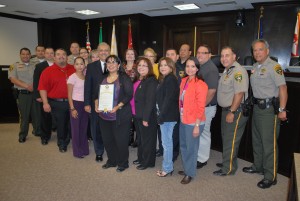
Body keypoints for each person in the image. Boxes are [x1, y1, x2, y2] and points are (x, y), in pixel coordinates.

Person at [242, 39, 288, 189]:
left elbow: (283, 89)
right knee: (257, 140)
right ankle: (258, 166)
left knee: (268, 143)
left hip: (269, 111)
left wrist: (281, 109)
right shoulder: (256, 66)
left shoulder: (274, 67)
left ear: (267, 51)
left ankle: (270, 175)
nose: (257, 53)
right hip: (257, 108)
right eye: (254, 50)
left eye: (260, 49)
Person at [213, 46, 249, 176]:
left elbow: (239, 93)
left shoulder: (238, 71)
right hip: (226, 110)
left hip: (235, 110)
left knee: (231, 140)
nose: (224, 58)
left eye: (227, 55)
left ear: (234, 56)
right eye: (222, 56)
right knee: (226, 138)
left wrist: (232, 111)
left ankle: (228, 169)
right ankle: (228, 162)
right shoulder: (228, 71)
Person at [95, 55, 133, 172]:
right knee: (108, 140)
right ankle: (112, 160)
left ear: (118, 65)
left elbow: (128, 95)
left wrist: (118, 106)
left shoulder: (124, 78)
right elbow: (96, 96)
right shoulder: (102, 78)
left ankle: (123, 163)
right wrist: (96, 105)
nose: (110, 65)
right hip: (104, 116)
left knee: (121, 140)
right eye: (108, 62)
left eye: (113, 62)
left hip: (120, 115)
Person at [39, 48, 75, 153]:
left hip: (73, 102)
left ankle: (73, 140)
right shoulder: (47, 71)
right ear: (54, 57)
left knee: (71, 123)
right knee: (62, 124)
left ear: (67, 57)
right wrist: (45, 103)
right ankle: (62, 143)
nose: (61, 56)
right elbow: (42, 88)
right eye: (58, 54)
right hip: (57, 103)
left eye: (64, 54)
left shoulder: (74, 69)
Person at [178, 57, 208, 184]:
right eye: (188, 66)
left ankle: (190, 173)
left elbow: (201, 107)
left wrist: (196, 125)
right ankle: (187, 168)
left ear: (197, 68)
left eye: (193, 66)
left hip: (194, 122)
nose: (189, 69)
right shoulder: (184, 80)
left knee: (191, 148)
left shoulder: (201, 84)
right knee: (184, 146)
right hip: (183, 119)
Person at [84, 42, 110, 162]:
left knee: (110, 128)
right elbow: (87, 86)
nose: (103, 52)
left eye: (106, 50)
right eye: (101, 50)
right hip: (96, 103)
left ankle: (111, 150)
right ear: (98, 52)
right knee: (96, 128)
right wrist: (87, 103)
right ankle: (99, 152)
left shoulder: (115, 64)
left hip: (111, 103)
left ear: (110, 52)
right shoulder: (91, 66)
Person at [196, 45, 219, 169]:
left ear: (209, 55)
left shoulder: (210, 69)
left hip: (206, 107)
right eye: (198, 52)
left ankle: (202, 159)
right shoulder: (201, 67)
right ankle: (199, 155)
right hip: (201, 107)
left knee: (204, 132)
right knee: (199, 132)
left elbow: (211, 92)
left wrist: (200, 107)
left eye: (203, 53)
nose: (200, 55)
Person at [156, 57, 179, 177]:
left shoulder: (170, 79)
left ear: (171, 67)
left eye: (166, 65)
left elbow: (168, 100)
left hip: (168, 117)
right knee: (167, 142)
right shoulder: (166, 79)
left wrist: (161, 116)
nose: (163, 67)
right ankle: (168, 167)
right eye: (161, 65)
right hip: (166, 115)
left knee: (166, 143)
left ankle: (167, 168)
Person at [8, 48, 37, 143]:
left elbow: (38, 77)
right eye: (23, 54)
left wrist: (33, 85)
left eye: (27, 54)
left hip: (35, 93)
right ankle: (23, 134)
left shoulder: (35, 65)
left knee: (36, 115)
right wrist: (27, 86)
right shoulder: (14, 66)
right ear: (20, 55)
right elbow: (13, 79)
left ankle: (37, 131)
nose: (25, 56)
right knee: (24, 116)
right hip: (23, 94)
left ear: (30, 55)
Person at [134, 57, 158, 170]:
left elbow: (150, 101)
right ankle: (141, 158)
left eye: (144, 65)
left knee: (148, 140)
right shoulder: (141, 79)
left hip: (146, 116)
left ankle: (148, 162)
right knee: (141, 139)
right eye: (139, 65)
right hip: (138, 115)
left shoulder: (151, 80)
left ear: (149, 68)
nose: (141, 67)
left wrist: (146, 118)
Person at [67, 57, 89, 158]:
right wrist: (72, 108)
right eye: (77, 64)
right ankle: (77, 151)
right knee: (76, 129)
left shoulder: (85, 76)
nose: (79, 66)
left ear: (84, 65)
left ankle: (84, 148)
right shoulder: (72, 77)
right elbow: (69, 94)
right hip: (76, 104)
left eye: (81, 64)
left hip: (85, 105)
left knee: (83, 127)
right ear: (74, 65)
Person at [33, 47, 55, 145]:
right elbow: (36, 81)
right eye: (47, 53)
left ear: (54, 54)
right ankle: (45, 136)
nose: (49, 55)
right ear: (44, 55)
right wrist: (38, 95)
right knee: (45, 117)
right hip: (44, 95)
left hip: (56, 95)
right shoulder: (39, 66)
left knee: (57, 116)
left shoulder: (59, 65)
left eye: (51, 53)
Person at [165, 48, 181, 161]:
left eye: (172, 54)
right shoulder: (164, 70)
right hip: (166, 107)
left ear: (177, 57)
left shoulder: (183, 71)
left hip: (177, 106)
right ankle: (165, 152)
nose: (170, 56)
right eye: (167, 54)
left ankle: (174, 154)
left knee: (175, 132)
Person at [122, 48, 138, 146]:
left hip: (135, 95)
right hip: (123, 95)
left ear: (135, 56)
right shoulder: (121, 67)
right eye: (128, 54)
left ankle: (136, 138)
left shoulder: (138, 67)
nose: (130, 56)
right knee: (126, 116)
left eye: (132, 54)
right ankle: (129, 136)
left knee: (135, 117)